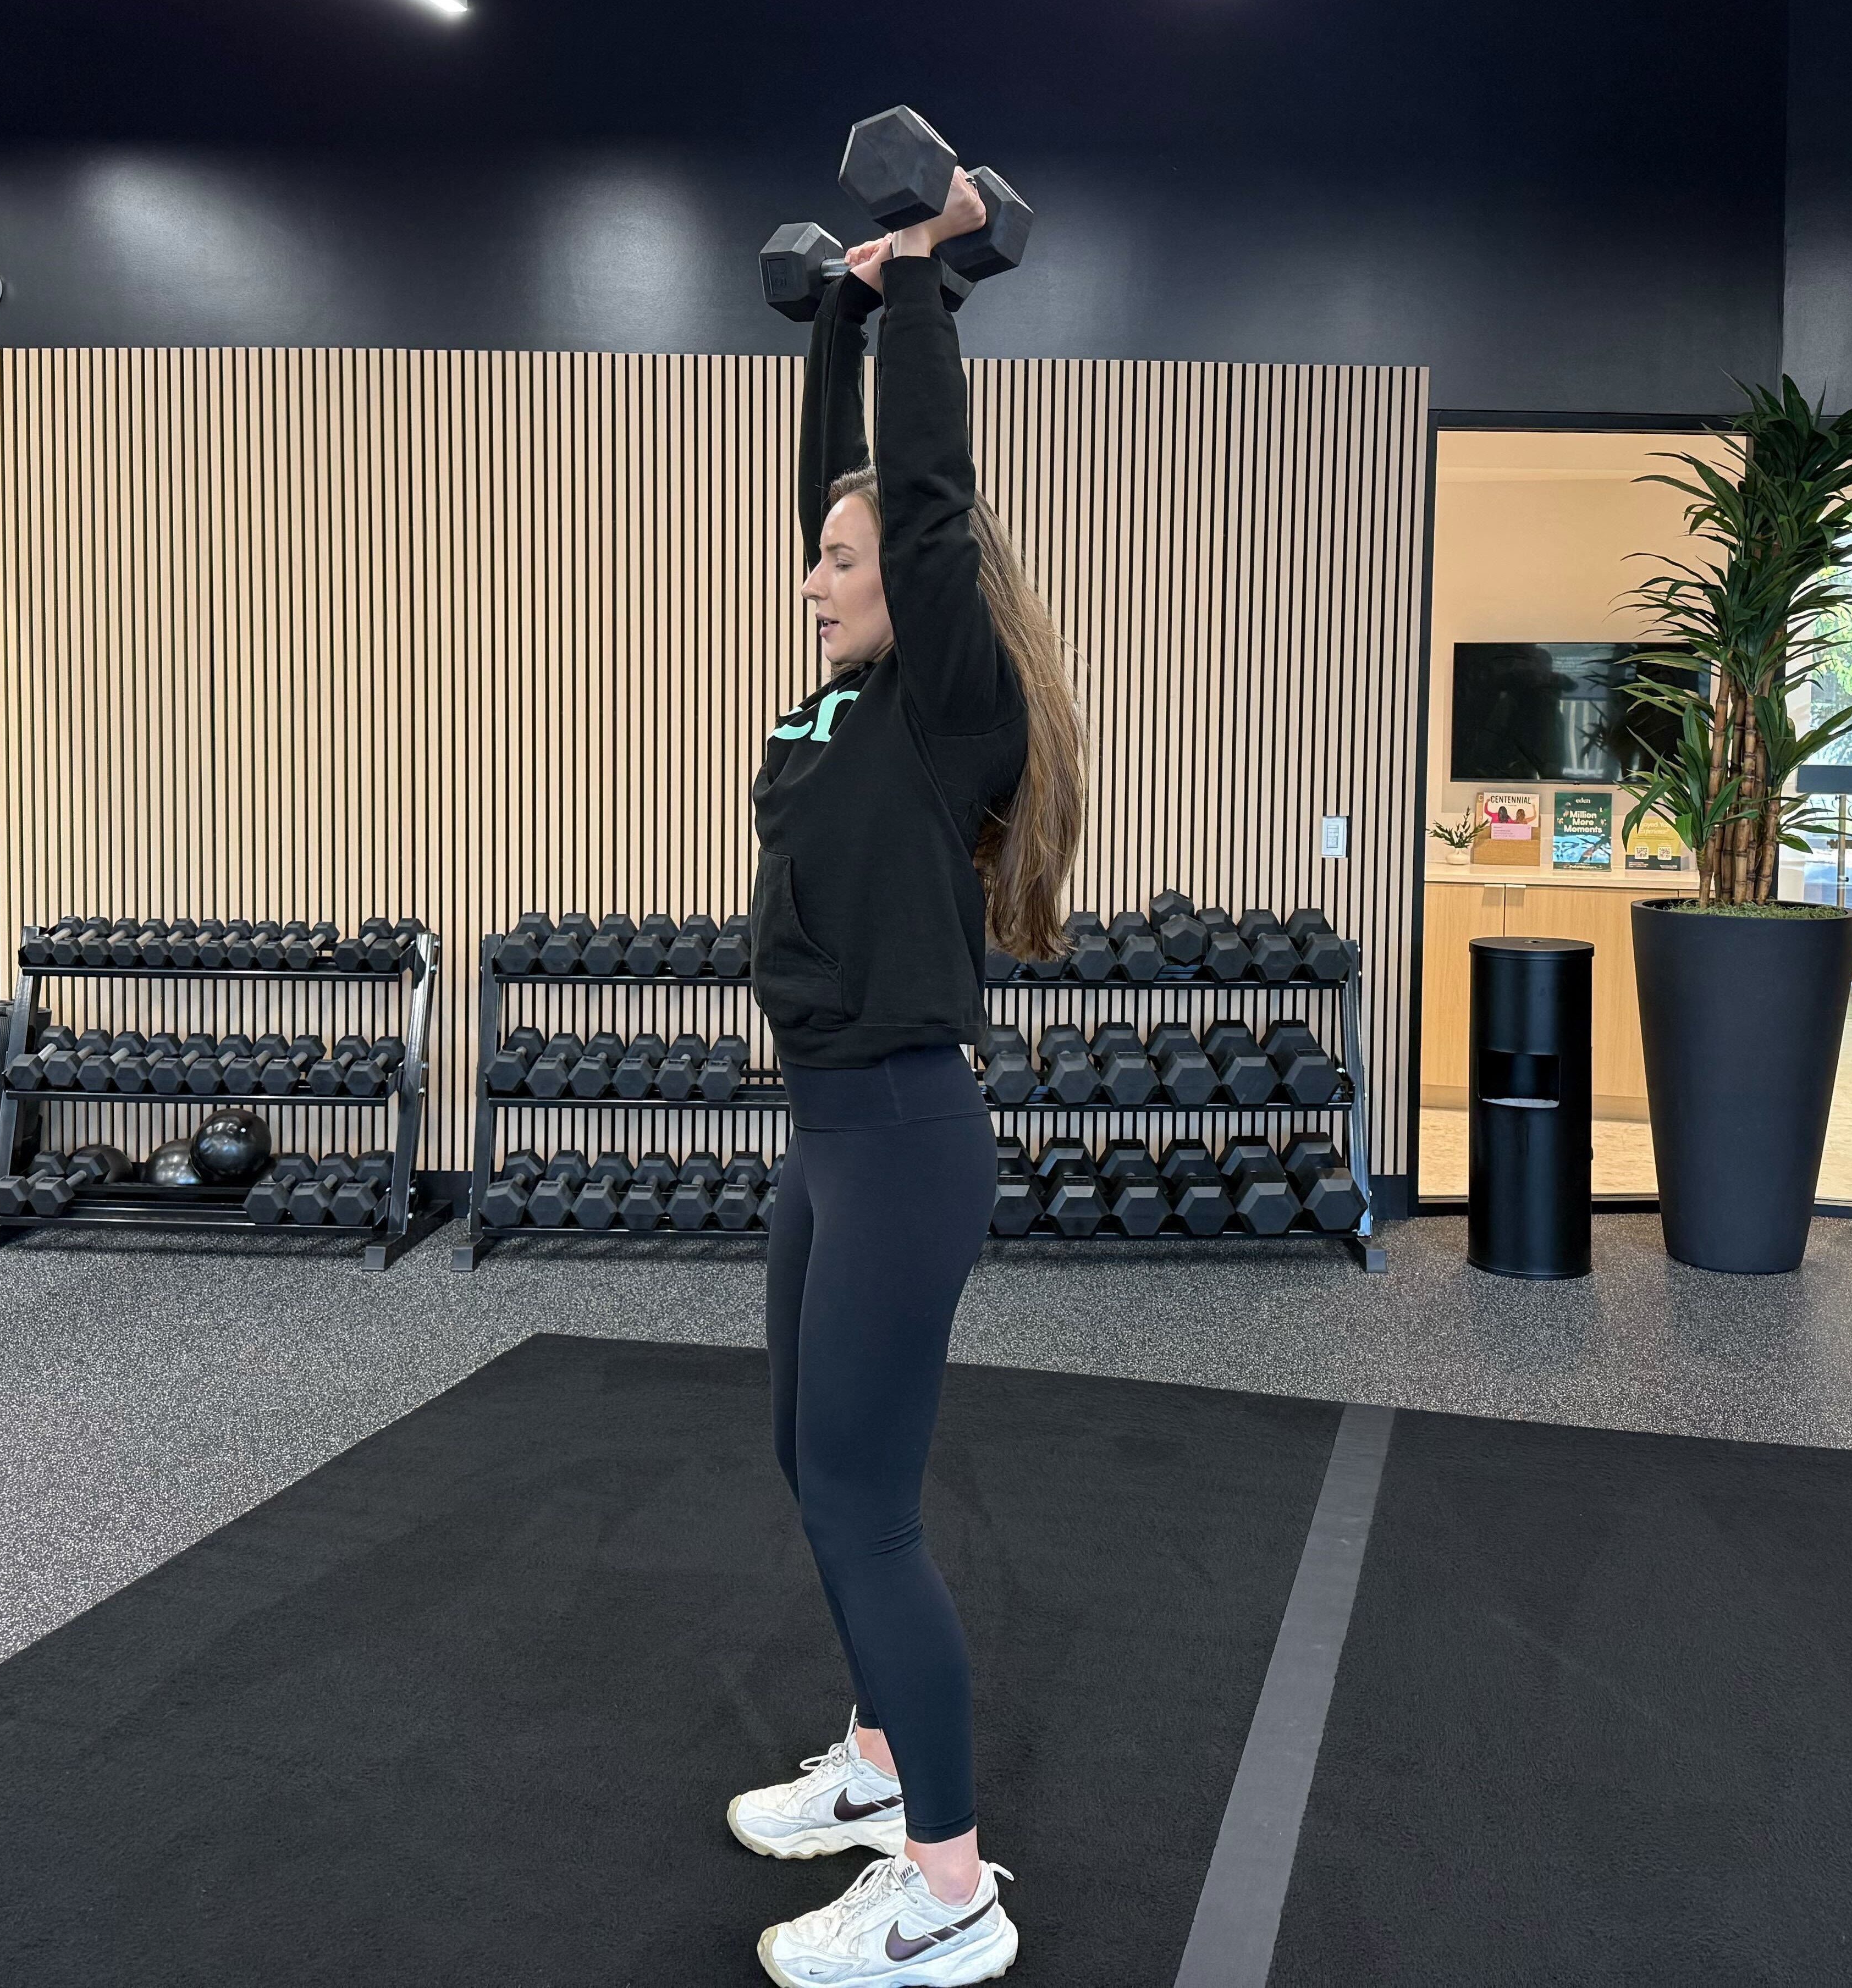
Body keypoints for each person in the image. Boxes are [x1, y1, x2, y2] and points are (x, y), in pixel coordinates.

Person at [727, 168, 1085, 1988]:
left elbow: (917, 507)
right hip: (824, 1138)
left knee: (868, 1507)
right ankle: (877, 1769)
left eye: (844, 570)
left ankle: (948, 1895)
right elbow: (850, 500)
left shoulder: (952, 702)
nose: (817, 578)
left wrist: (931, 281)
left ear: (921, 592)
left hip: (903, 1131)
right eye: (823, 562)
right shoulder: (835, 703)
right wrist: (841, 326)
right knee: (810, 1461)